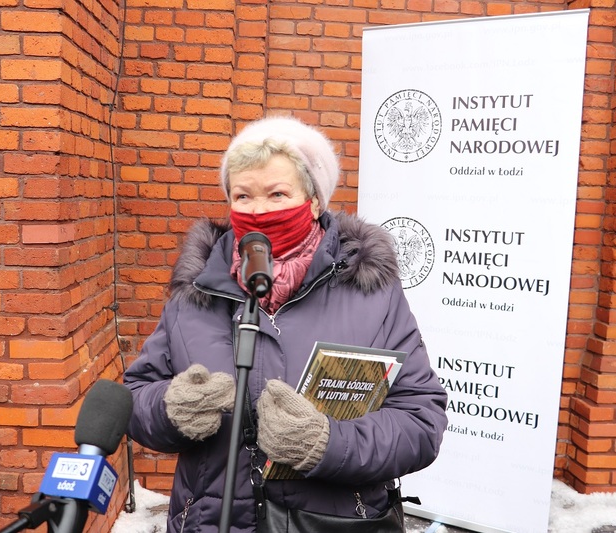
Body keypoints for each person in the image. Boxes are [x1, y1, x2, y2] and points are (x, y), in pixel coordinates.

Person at [123, 116, 448, 532]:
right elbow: (135, 399)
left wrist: (330, 444)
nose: (258, 211)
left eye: (277, 194)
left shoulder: (371, 293)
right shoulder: (196, 292)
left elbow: (420, 421)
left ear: (314, 201)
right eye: (242, 195)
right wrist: (170, 409)